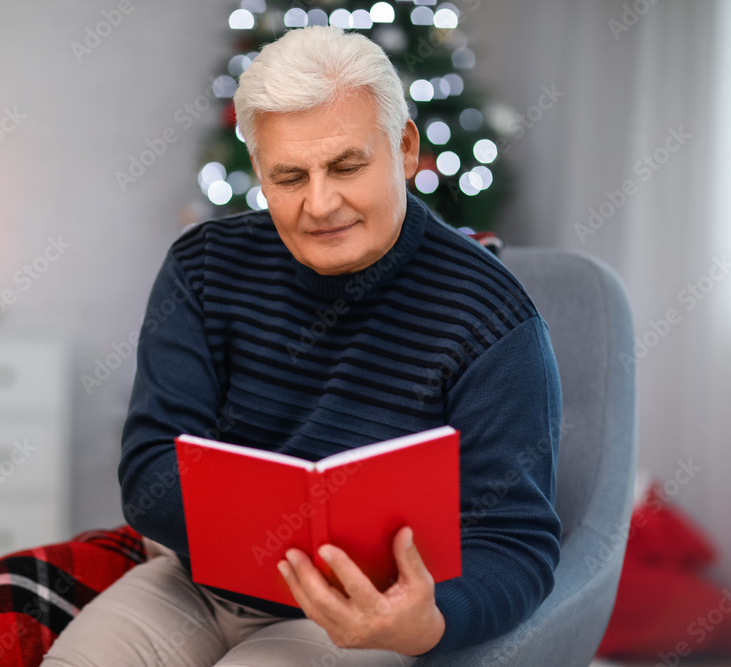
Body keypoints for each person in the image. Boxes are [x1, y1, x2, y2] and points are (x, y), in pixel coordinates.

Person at [40, 24, 562, 666]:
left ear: (402, 150)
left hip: (360, 612)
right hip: (195, 584)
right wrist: (270, 526)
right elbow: (149, 470)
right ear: (258, 170)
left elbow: (515, 542)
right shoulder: (203, 269)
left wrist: (427, 620)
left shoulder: (492, 316)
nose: (320, 204)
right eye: (289, 177)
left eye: (347, 166)